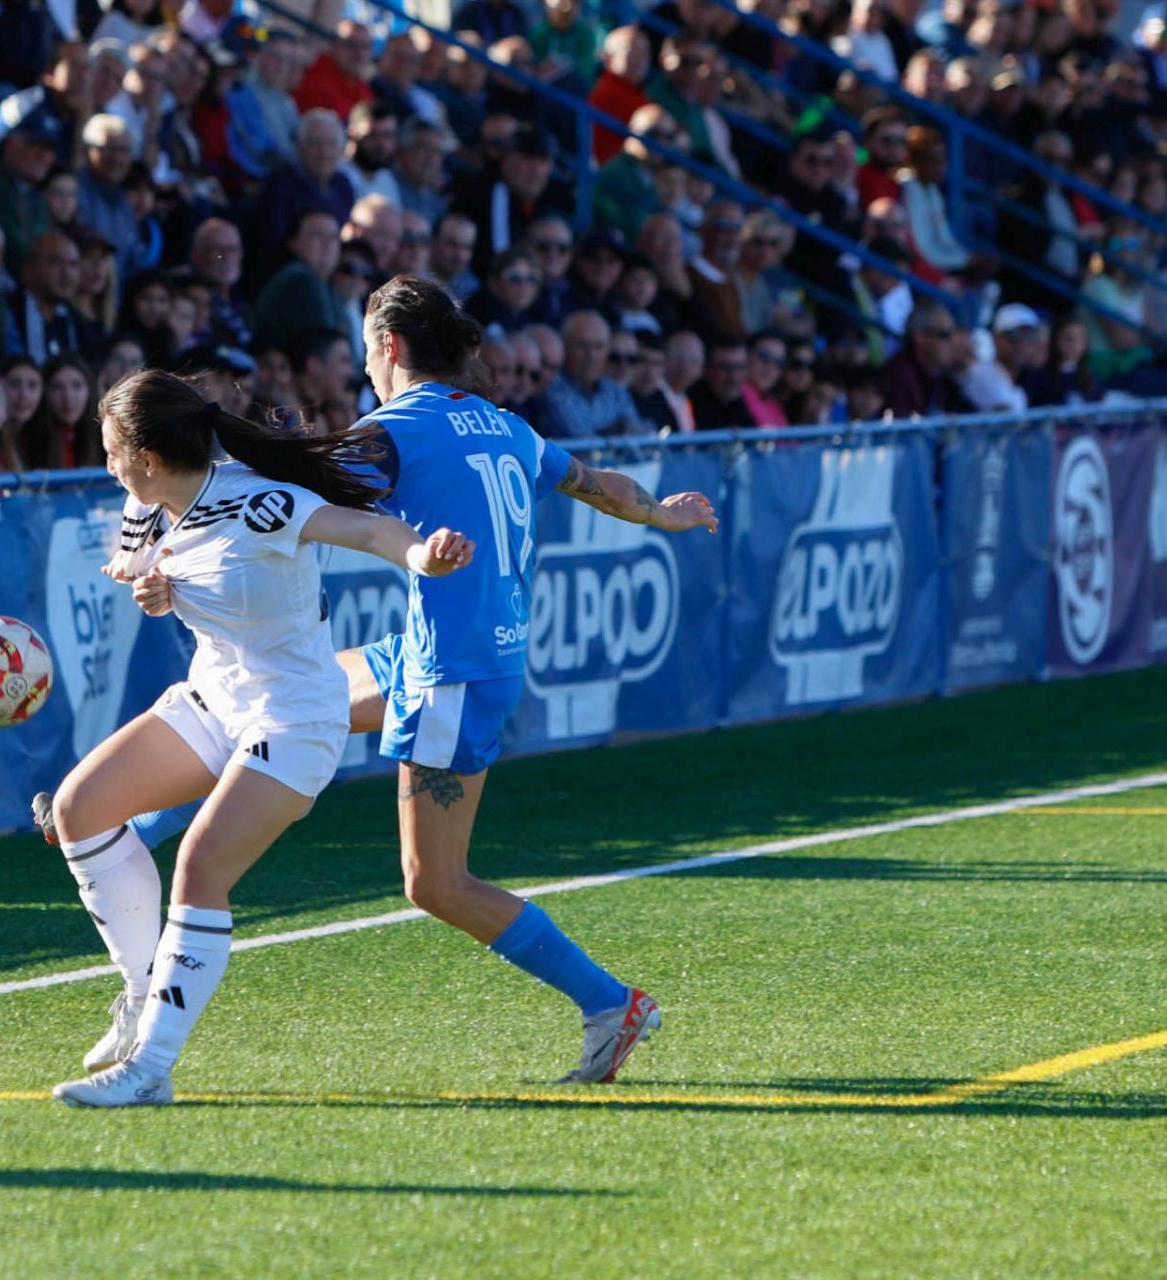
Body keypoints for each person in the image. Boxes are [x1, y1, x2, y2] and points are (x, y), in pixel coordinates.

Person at [41, 276, 718, 1090]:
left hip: (451, 673)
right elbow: (599, 485)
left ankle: (611, 1003)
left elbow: (307, 502)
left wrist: (211, 485)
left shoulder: (390, 434)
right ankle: (150, 818)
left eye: (366, 351)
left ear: (389, 348)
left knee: (434, 883)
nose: (365, 368)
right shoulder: (505, 426)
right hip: (442, 650)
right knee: (304, 697)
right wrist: (661, 516)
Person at [45, 367, 476, 1108]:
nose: (107, 463)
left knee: (200, 868)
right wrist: (151, 586)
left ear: (148, 456)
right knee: (77, 810)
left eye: (113, 449)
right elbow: (148, 566)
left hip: (296, 714)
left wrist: (421, 557)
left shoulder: (256, 500)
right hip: (213, 699)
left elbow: (364, 527)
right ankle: (145, 991)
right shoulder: (147, 502)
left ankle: (150, 1067)